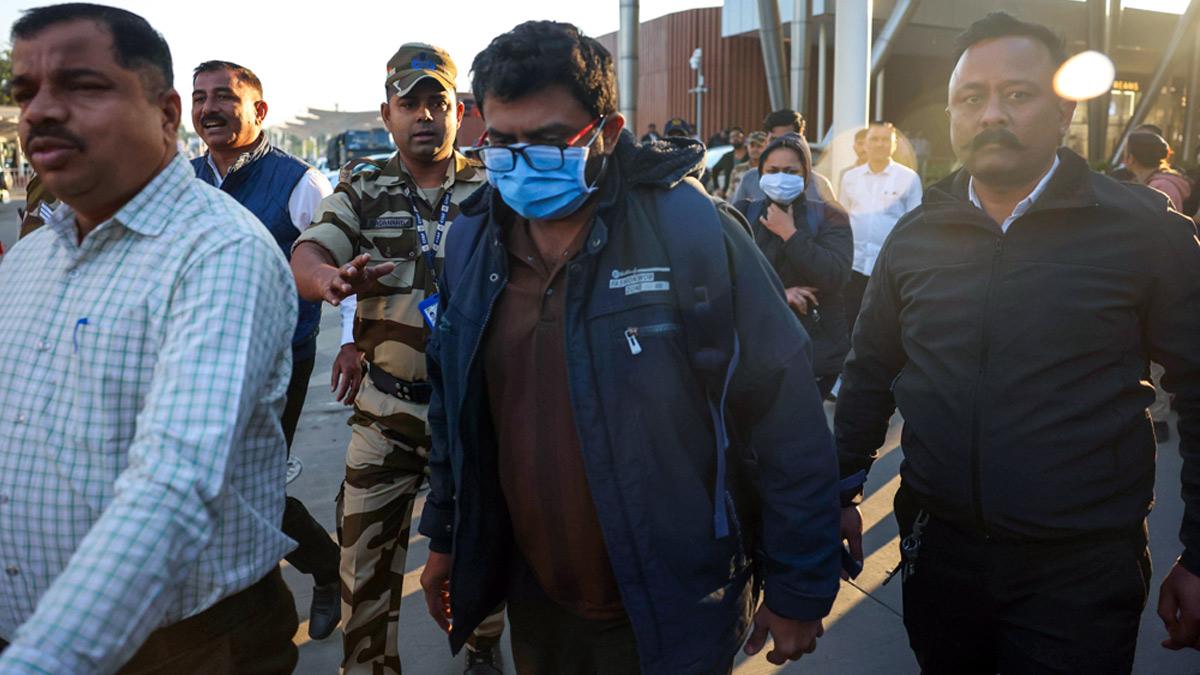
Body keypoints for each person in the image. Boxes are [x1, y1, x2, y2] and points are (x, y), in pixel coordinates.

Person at [417, 20, 840, 673]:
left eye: (551, 141)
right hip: (537, 597)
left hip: (672, 603)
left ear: (608, 133)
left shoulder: (691, 229)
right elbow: (455, 406)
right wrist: (446, 537)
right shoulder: (473, 243)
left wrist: (801, 583)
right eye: (503, 142)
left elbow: (784, 408)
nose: (522, 160)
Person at [836, 12, 1200, 673]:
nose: (991, 114)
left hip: (1081, 573)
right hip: (940, 560)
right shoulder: (916, 239)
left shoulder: (1143, 233)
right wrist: (839, 489)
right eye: (971, 98)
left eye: (1019, 94)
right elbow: (868, 372)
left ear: (1063, 113)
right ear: (951, 114)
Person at [0, 4, 300, 672]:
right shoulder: (26, 262)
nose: (41, 112)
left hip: (182, 648)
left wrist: (41, 658)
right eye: (26, 93)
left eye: (82, 86)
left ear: (165, 115)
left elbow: (171, 484)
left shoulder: (219, 251)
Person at [289, 42, 505, 675]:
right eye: (408, 104)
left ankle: (484, 649)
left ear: (458, 110)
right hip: (385, 414)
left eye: (436, 102)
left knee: (480, 554)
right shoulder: (364, 186)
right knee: (363, 576)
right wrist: (326, 277)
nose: (424, 116)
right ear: (387, 114)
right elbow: (311, 247)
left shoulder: (493, 187)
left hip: (473, 420)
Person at [189, 59, 341, 640]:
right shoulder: (185, 181)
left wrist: (351, 344)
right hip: (203, 360)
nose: (210, 108)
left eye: (225, 96)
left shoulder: (301, 182)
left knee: (246, 482)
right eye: (200, 97)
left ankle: (325, 573)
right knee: (216, 481)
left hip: (280, 360)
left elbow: (330, 264)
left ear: (259, 110)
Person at [734, 133, 852, 399]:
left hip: (814, 351)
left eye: (790, 171)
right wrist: (778, 295)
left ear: (806, 174)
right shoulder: (744, 213)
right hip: (756, 346)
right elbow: (727, 278)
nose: (780, 178)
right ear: (760, 173)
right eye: (773, 171)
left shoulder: (831, 215)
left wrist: (790, 234)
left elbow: (835, 275)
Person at [838, 121, 922, 336]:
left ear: (894, 145)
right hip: (854, 266)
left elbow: (915, 224)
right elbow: (842, 220)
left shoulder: (908, 178)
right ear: (864, 144)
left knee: (884, 327)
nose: (879, 144)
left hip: (889, 267)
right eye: (874, 139)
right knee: (851, 321)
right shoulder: (850, 177)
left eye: (885, 140)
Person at [731, 109, 836, 205]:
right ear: (766, 141)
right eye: (774, 140)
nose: (779, 146)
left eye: (787, 140)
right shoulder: (750, 180)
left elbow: (835, 223)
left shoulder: (820, 186)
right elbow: (734, 221)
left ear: (800, 142)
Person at [1122, 130, 1191, 212]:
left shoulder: (1163, 187)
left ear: (1131, 158)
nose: (1123, 158)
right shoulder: (1149, 183)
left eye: (1124, 152)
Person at [710, 125, 748, 199]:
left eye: (737, 136)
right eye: (732, 137)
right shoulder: (727, 157)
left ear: (743, 138)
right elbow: (714, 170)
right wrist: (717, 188)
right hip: (729, 195)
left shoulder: (751, 155)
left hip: (747, 195)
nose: (735, 138)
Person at [728, 130, 767, 200]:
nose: (755, 149)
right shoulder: (738, 169)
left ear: (766, 148)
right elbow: (731, 196)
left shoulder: (770, 170)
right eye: (752, 146)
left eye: (759, 146)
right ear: (747, 147)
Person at [836, 127, 869, 195]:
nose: (864, 148)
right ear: (854, 147)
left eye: (867, 144)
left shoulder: (883, 171)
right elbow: (842, 202)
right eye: (860, 144)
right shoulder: (845, 173)